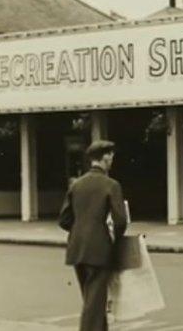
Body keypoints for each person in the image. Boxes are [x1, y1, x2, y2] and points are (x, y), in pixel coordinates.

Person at [58, 140, 128, 331]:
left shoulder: (76, 185)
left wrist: (80, 230)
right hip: (99, 250)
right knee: (94, 303)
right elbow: (120, 221)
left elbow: (64, 219)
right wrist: (112, 238)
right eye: (111, 155)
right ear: (104, 158)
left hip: (76, 248)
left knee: (91, 300)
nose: (112, 159)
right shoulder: (111, 185)